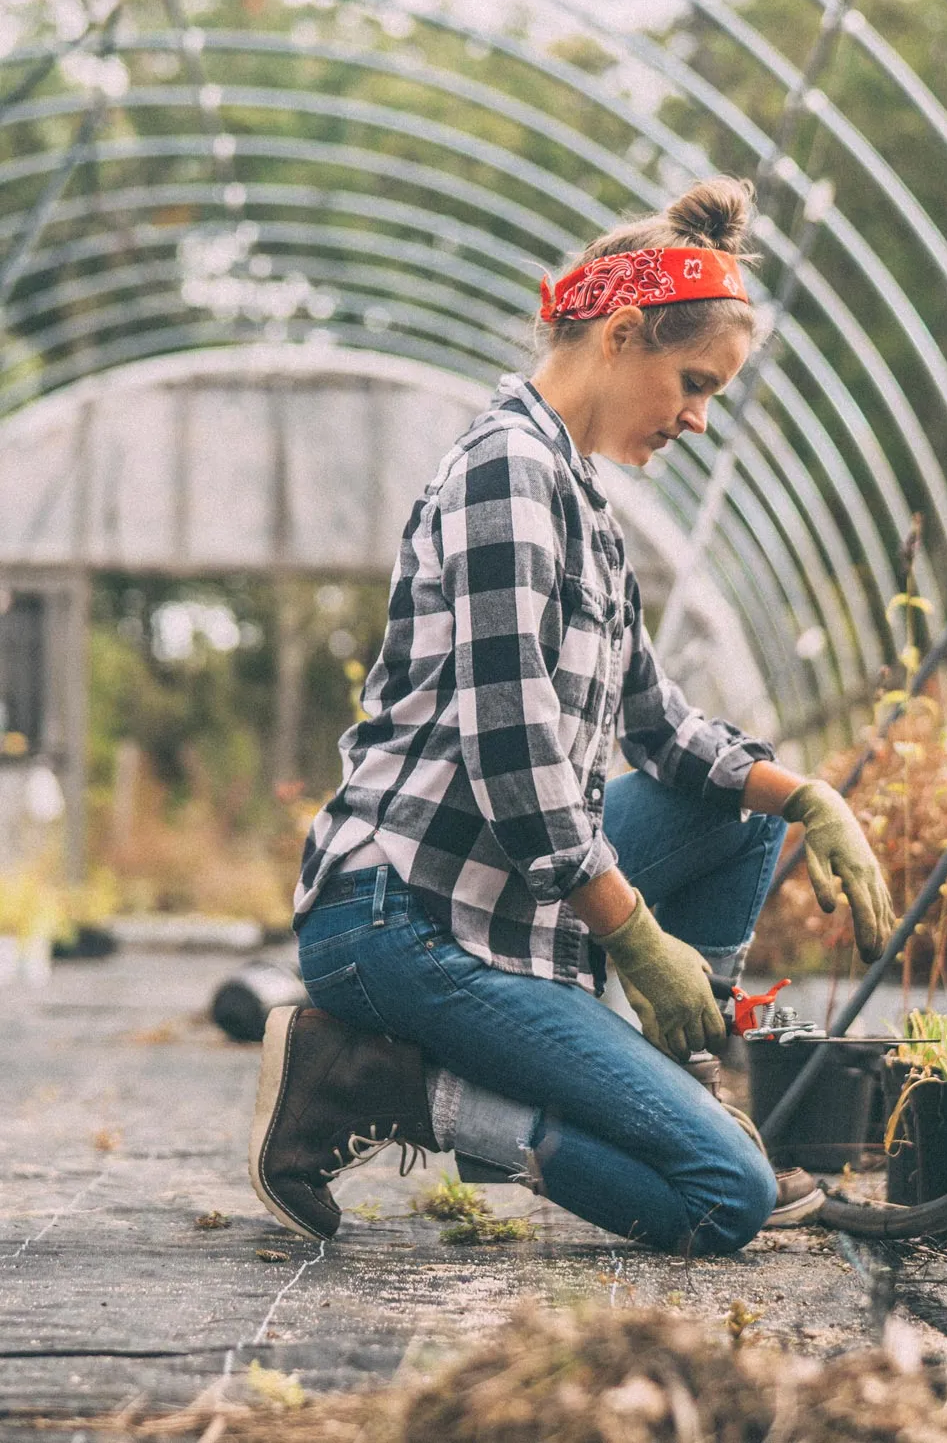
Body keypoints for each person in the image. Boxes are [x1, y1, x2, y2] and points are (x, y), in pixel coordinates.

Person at [247, 178, 897, 1256]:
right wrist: (638, 941)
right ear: (623, 334)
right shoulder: (506, 471)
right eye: (694, 385)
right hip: (400, 914)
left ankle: (688, 1073)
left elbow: (662, 728)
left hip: (503, 899)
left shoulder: (584, 504)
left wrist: (808, 797)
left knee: (741, 811)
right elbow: (518, 764)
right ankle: (389, 1085)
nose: (697, 417)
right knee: (718, 1199)